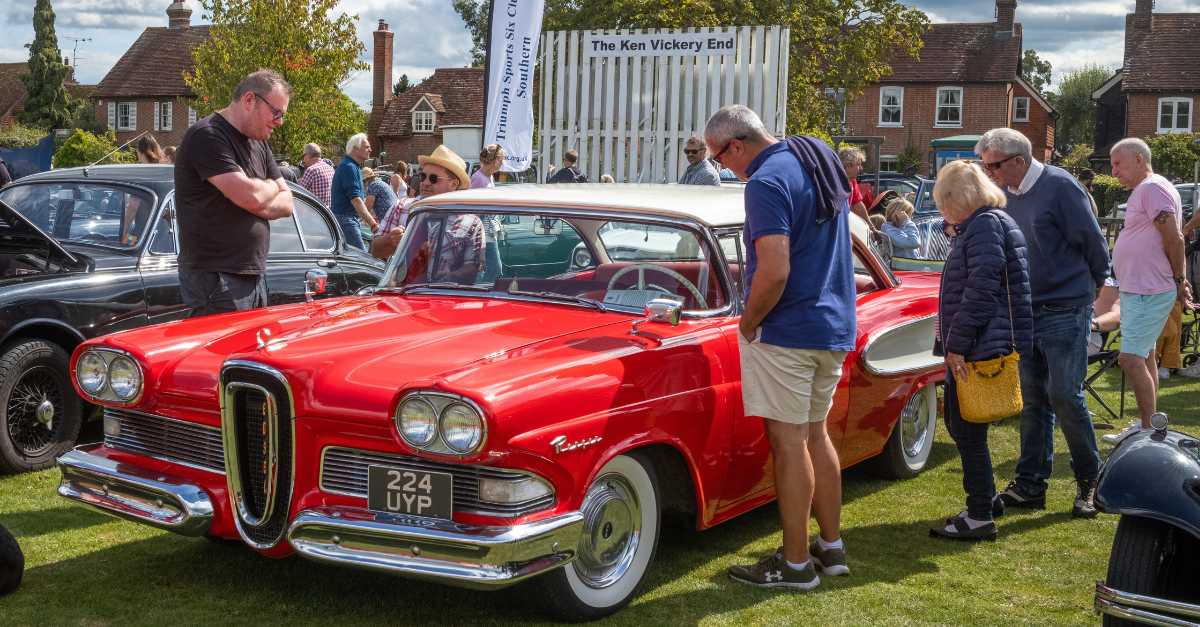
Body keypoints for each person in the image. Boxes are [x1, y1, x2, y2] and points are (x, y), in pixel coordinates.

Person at [706, 105, 854, 590]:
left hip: (788, 327)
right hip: (832, 322)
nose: (722, 166)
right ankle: (830, 549)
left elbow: (773, 270)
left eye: (719, 156)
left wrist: (747, 324)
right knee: (816, 434)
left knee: (789, 442)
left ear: (737, 145)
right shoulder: (816, 156)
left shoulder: (765, 182)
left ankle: (794, 566)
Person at [975, 128, 1111, 519]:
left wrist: (1086, 292)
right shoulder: (1006, 194)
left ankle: (1092, 483)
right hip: (1026, 311)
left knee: (1065, 394)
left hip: (1065, 308)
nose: (989, 173)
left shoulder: (1061, 187)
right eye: (985, 167)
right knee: (1033, 399)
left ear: (1019, 160)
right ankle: (1031, 484)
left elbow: (1094, 247)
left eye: (994, 165)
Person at [928, 160, 1033, 541]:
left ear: (959, 197)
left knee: (966, 428)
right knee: (963, 424)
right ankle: (986, 499)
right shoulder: (990, 223)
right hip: (988, 339)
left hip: (979, 344)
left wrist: (955, 345)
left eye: (944, 203)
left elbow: (979, 292)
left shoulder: (985, 226)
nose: (943, 211)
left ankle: (978, 514)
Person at [174, 69, 293, 318]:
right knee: (220, 357)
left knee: (248, 358)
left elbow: (287, 203)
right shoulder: (207, 135)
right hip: (216, 278)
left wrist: (256, 191)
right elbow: (251, 197)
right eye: (276, 112)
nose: (280, 121)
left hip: (252, 275)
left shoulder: (260, 142)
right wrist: (266, 189)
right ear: (250, 100)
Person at [1101, 138, 1195, 444]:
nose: (1113, 172)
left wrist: (1180, 281)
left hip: (1148, 290)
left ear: (1139, 159)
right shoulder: (1149, 188)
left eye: (1118, 164)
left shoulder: (1152, 188)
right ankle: (1150, 425)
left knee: (1130, 359)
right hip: (1139, 288)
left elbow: (1175, 238)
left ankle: (1146, 429)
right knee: (1147, 356)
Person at [371, 145, 472, 261]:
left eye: (434, 178)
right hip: (401, 279)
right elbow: (375, 251)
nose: (426, 183)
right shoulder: (400, 207)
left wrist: (451, 274)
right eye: (423, 176)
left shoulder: (468, 221)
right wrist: (389, 239)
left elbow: (473, 270)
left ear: (454, 185)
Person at [330, 133, 378, 251]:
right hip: (346, 220)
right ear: (355, 149)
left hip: (346, 218)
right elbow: (356, 200)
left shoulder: (351, 165)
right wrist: (373, 224)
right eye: (367, 147)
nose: (370, 150)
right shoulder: (349, 167)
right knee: (362, 259)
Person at [837, 146, 872, 229]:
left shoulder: (852, 181)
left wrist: (871, 227)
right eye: (858, 165)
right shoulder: (834, 181)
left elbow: (857, 205)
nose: (861, 168)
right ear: (848, 165)